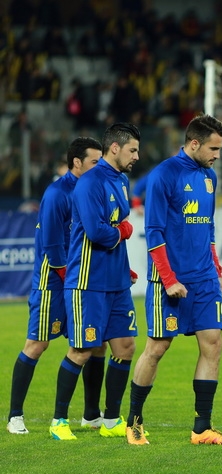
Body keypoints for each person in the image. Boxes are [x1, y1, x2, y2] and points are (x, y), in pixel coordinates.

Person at [125, 114, 222, 446]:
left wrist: (216, 270)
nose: (217, 154)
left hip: (204, 279)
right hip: (169, 281)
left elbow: (210, 229)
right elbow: (155, 232)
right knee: (157, 348)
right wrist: (168, 278)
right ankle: (133, 422)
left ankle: (202, 428)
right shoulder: (164, 176)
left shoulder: (210, 177)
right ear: (194, 143)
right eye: (213, 148)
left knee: (213, 345)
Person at [7, 137, 106, 435]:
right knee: (37, 344)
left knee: (94, 344)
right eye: (94, 161)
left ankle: (90, 414)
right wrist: (68, 280)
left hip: (79, 281)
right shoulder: (57, 193)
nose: (99, 166)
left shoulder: (93, 190)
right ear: (77, 162)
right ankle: (15, 416)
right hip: (53, 282)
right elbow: (51, 244)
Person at [49, 123, 141, 440]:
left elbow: (115, 222)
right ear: (114, 148)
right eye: (133, 150)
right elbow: (97, 231)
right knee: (83, 349)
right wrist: (124, 231)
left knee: (126, 346)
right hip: (87, 280)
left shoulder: (122, 180)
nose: (137, 156)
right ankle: (59, 421)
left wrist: (125, 268)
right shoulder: (89, 183)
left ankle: (112, 420)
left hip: (116, 281)